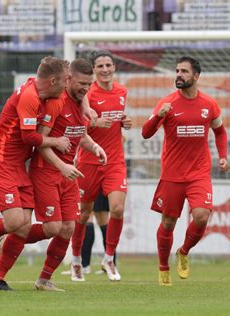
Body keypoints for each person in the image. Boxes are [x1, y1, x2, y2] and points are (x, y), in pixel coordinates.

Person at [0, 58, 107, 291]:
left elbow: (78, 134)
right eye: (82, 83)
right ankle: (0, 265)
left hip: (68, 173)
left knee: (68, 228)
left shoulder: (82, 101)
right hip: (46, 170)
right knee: (52, 227)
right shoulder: (56, 101)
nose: (86, 88)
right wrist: (61, 166)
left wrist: (94, 146)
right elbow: (40, 142)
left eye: (89, 84)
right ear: (69, 79)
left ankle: (44, 280)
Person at [0, 56, 74, 290]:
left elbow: (75, 97)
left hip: (18, 166)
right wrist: (56, 141)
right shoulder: (30, 96)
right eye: (65, 80)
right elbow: (28, 137)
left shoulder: (49, 95)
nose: (67, 84)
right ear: (53, 80)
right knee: (14, 221)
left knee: (21, 226)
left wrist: (87, 106)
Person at [141, 56, 229, 286]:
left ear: (196, 76)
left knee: (201, 216)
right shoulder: (166, 103)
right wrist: (159, 115)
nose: (178, 75)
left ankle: (184, 251)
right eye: (177, 71)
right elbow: (145, 133)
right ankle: (163, 268)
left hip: (199, 172)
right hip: (172, 174)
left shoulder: (209, 104)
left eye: (184, 71)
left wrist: (223, 157)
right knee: (168, 223)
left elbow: (220, 132)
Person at [69, 50, 132, 282]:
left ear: (114, 67)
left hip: (114, 161)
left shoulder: (122, 92)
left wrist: (125, 122)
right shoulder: (87, 94)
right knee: (83, 214)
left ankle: (108, 258)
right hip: (88, 162)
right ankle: (76, 260)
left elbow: (117, 119)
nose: (105, 69)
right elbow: (77, 126)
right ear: (94, 70)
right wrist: (94, 121)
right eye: (100, 66)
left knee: (117, 208)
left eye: (108, 65)